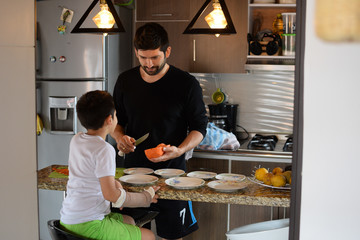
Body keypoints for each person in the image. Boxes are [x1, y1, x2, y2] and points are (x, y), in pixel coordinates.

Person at [111, 23, 208, 240]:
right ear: (136, 52)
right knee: (131, 236)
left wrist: (180, 150)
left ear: (168, 51)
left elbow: (200, 128)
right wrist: (120, 138)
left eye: (155, 57)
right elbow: (117, 123)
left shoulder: (186, 83)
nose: (149, 63)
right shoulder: (125, 81)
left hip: (172, 177)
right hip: (133, 179)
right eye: (143, 57)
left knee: (172, 237)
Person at [60, 90, 160, 240]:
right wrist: (146, 197)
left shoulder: (77, 139)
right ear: (109, 119)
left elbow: (91, 175)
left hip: (69, 219)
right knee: (149, 236)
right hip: (90, 224)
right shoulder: (104, 149)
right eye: (116, 115)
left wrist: (114, 183)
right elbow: (111, 195)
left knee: (130, 221)